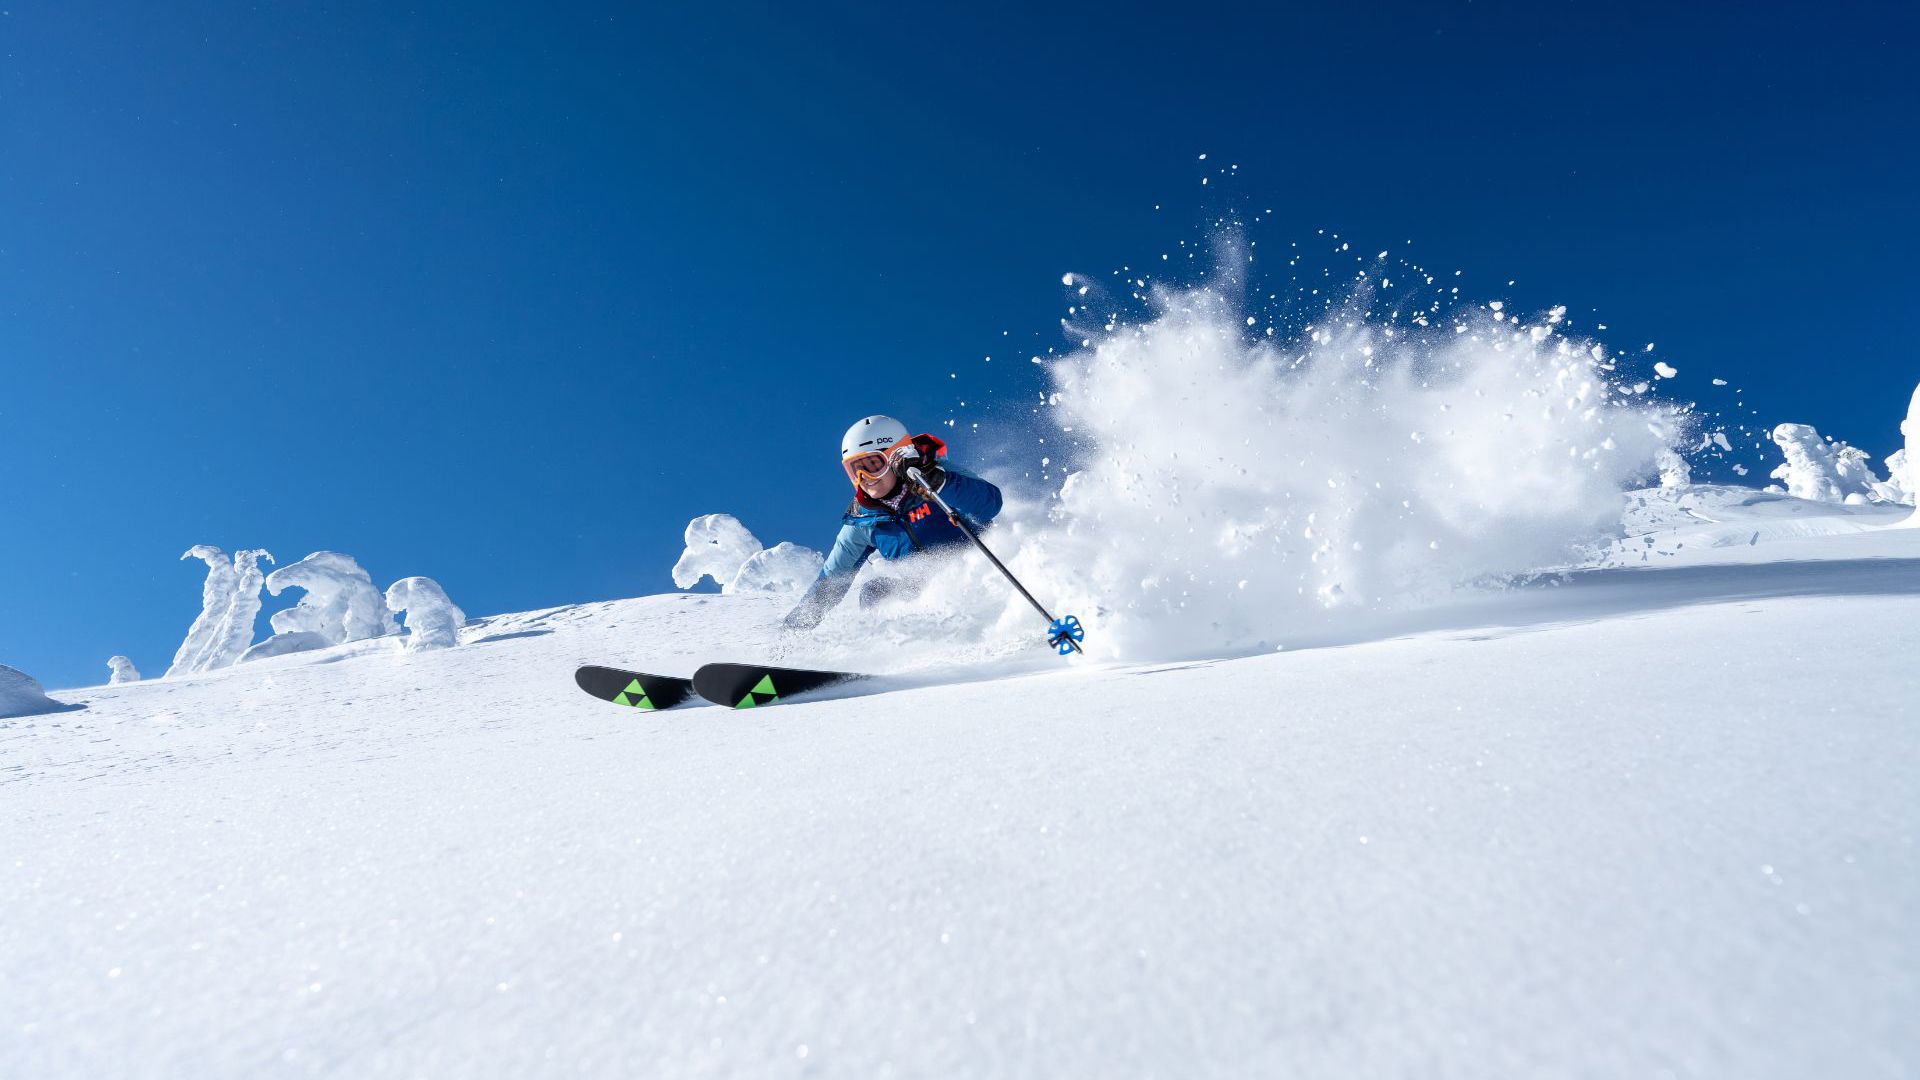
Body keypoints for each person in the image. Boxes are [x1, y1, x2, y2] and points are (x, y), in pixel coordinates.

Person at [783, 415, 1003, 630]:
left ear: (896, 456)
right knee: (875, 592)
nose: (864, 478)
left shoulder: (937, 474)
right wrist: (792, 631)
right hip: (928, 595)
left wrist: (938, 483)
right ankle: (898, 651)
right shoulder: (863, 519)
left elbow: (990, 504)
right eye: (854, 470)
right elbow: (831, 581)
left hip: (981, 571)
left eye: (872, 465)